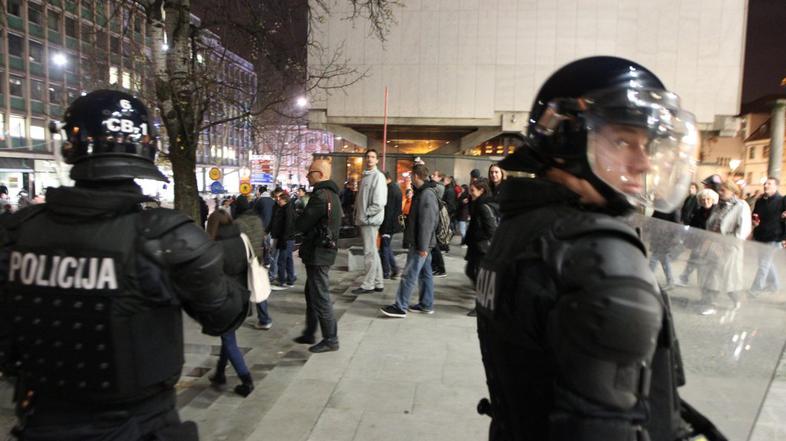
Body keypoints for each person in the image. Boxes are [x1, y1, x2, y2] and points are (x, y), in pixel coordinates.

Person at [474, 57, 720, 440]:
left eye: (647, 145)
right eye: (623, 141)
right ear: (564, 138)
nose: (642, 163)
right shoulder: (599, 256)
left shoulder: (524, 225)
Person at [0, 90, 248, 440]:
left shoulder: (15, 231)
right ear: (147, 146)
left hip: (42, 421)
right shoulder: (166, 237)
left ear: (70, 144)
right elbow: (225, 314)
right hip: (140, 424)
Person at [293, 159, 343, 353]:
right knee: (311, 292)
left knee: (320, 295)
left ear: (320, 175)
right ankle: (309, 332)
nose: (307, 175)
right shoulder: (332, 195)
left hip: (318, 253)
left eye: (310, 172)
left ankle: (331, 339)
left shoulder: (321, 196)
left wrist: (294, 214)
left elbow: (302, 224)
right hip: (322, 251)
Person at [205, 210, 255, 397]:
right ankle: (219, 373)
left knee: (228, 339)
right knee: (228, 336)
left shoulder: (214, 246)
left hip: (225, 299)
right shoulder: (241, 239)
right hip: (242, 296)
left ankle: (246, 380)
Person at [380, 163, 440, 317]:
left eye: (410, 176)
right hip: (424, 242)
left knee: (409, 274)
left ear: (415, 176)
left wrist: (422, 247)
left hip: (421, 242)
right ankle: (426, 304)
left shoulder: (426, 194)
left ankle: (400, 306)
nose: (409, 179)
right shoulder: (424, 192)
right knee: (425, 274)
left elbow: (427, 223)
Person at [697, 179, 751, 315]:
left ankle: (736, 299)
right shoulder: (718, 205)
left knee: (729, 278)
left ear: (732, 191)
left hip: (730, 247)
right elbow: (711, 224)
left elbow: (743, 231)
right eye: (719, 189)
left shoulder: (741, 205)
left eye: (723, 190)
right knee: (712, 275)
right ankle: (710, 303)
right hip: (715, 246)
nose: (719, 192)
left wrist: (726, 244)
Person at [234, 195, 273, 330]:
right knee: (258, 287)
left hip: (245, 260)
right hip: (258, 259)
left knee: (243, 288)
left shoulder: (238, 222)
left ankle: (244, 315)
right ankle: (264, 318)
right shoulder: (257, 220)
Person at [352, 149, 388, 294]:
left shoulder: (377, 177)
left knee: (369, 253)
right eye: (367, 157)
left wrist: (366, 215)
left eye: (373, 157)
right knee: (372, 252)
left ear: (377, 160)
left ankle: (368, 284)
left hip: (370, 221)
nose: (370, 159)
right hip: (366, 219)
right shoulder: (366, 176)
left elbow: (379, 202)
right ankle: (378, 282)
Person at [464, 178, 499, 317]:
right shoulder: (477, 204)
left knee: (478, 275)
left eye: (472, 190)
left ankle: (483, 306)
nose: (470, 193)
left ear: (481, 190)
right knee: (471, 272)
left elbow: (491, 228)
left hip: (482, 247)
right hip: (476, 245)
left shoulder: (483, 206)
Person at [749, 177, 785, 295]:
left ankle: (755, 289)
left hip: (774, 236)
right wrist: (754, 224)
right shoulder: (760, 201)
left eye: (769, 184)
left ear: (776, 186)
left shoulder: (782, 201)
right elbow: (755, 215)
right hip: (760, 235)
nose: (766, 186)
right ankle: (774, 285)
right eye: (765, 183)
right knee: (765, 263)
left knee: (764, 264)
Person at [677, 188, 719, 286]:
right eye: (703, 199)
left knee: (705, 263)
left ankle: (698, 282)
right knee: (694, 258)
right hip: (699, 241)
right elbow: (693, 226)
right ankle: (685, 278)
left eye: (708, 199)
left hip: (711, 243)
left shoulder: (716, 212)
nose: (706, 201)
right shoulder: (698, 211)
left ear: (713, 200)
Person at [379, 171, 403, 279]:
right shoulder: (395, 188)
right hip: (392, 224)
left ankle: (387, 271)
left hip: (388, 225)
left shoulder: (390, 190)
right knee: (386, 247)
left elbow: (389, 210)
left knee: (384, 248)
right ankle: (393, 269)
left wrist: (384, 229)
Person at [273, 191, 297, 288]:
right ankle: (290, 280)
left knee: (281, 260)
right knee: (288, 259)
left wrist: (283, 238)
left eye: (280, 199)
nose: (278, 201)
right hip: (289, 238)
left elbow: (287, 225)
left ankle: (282, 280)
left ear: (285, 200)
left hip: (286, 238)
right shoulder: (289, 209)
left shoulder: (286, 210)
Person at [429, 170, 448, 278]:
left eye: (434, 175)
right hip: (435, 216)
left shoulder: (439, 187)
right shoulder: (437, 186)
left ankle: (440, 268)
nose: (432, 176)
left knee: (434, 245)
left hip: (436, 217)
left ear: (439, 177)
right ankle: (436, 267)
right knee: (433, 244)